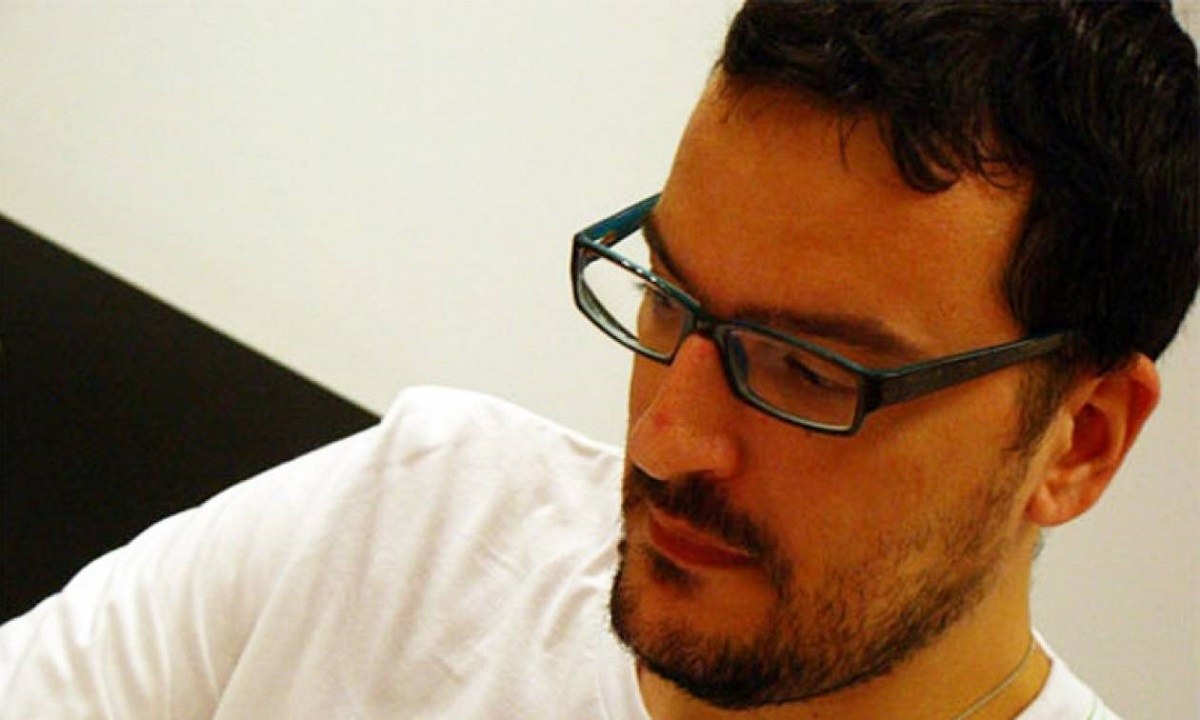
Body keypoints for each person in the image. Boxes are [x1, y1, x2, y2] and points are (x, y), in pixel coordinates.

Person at [1, 1, 1196, 718]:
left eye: (809, 372)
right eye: (667, 299)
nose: (666, 440)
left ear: (1079, 444)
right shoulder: (420, 522)